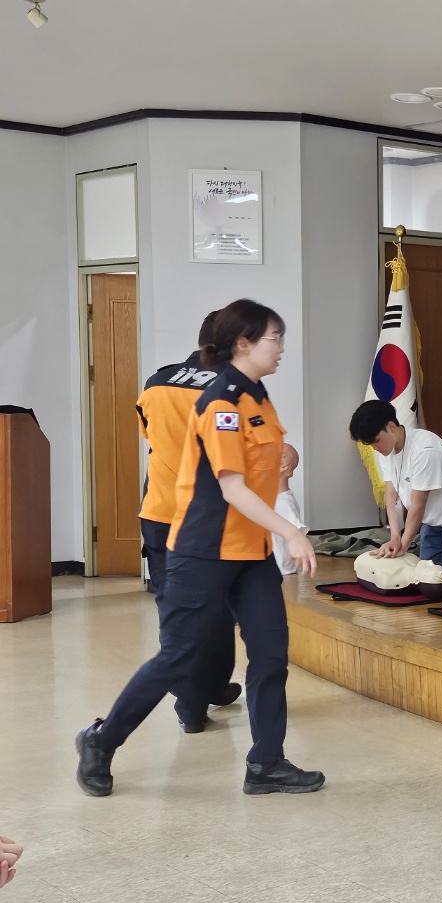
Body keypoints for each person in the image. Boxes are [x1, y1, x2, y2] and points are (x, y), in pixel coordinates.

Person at [77, 300, 324, 798]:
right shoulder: (221, 403)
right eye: (274, 338)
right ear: (243, 344)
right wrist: (292, 531)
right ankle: (102, 739)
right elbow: (232, 487)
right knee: (180, 656)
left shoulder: (257, 397)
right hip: (204, 549)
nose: (281, 347)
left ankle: (266, 763)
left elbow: (265, 469)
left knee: (270, 653)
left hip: (250, 552)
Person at [136, 311, 243, 733]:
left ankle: (210, 687)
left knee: (176, 608)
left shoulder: (156, 383)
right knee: (217, 609)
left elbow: (153, 438)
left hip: (160, 512)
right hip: (208, 517)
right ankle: (192, 700)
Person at [348, 400, 442, 587]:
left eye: (376, 441)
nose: (375, 448)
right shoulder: (385, 450)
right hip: (433, 521)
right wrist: (395, 537)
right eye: (370, 444)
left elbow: (418, 505)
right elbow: (391, 495)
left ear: (391, 427)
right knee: (431, 579)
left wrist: (403, 547)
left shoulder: (424, 450)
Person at [272, 443, 309, 576]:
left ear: (282, 464)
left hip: (280, 569)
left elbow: (298, 531)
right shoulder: (275, 500)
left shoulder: (282, 503)